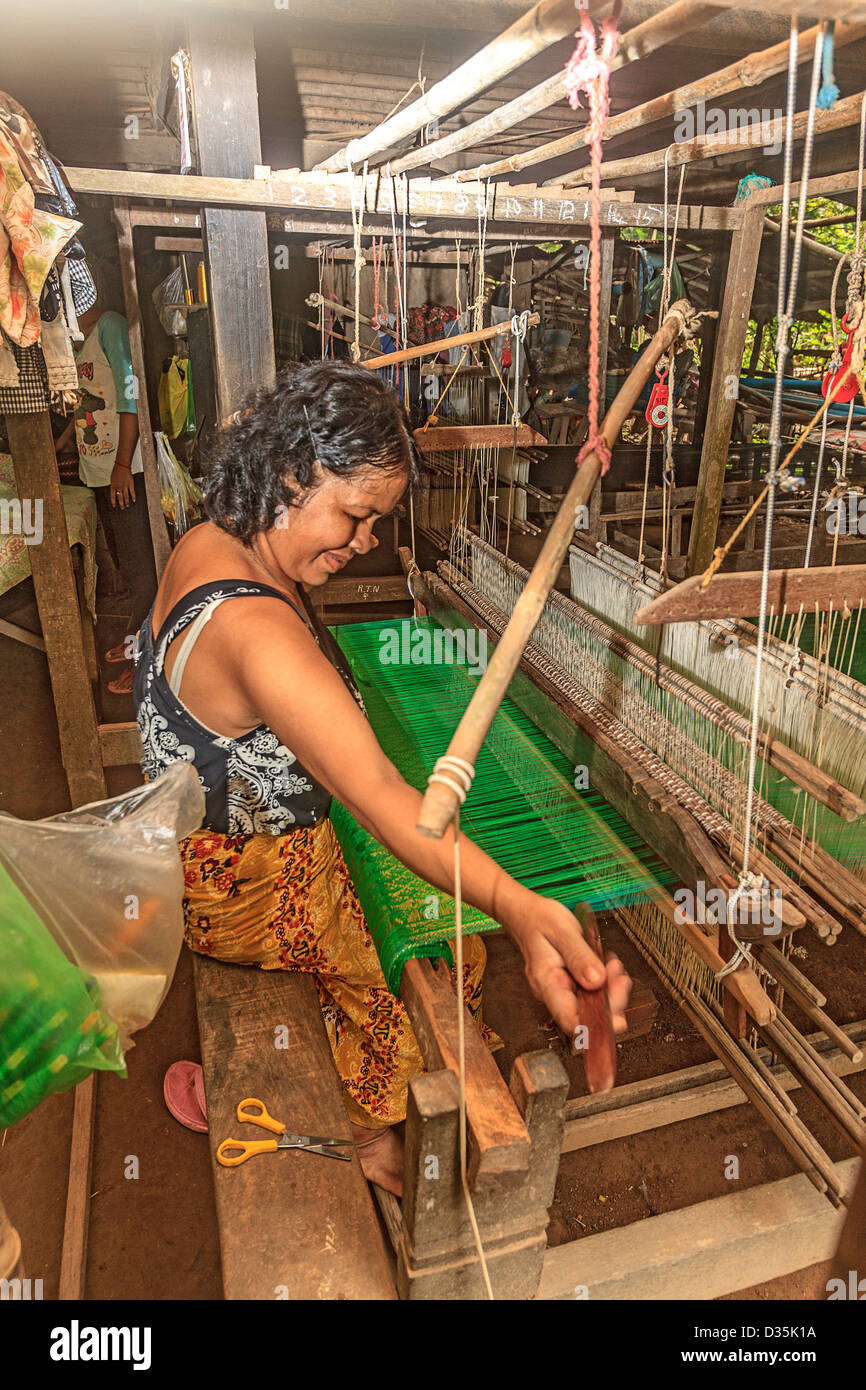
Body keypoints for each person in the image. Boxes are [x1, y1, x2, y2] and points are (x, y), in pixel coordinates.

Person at [133, 360, 630, 1195]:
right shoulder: (257, 631)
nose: (366, 542)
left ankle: (305, 1067)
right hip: (247, 891)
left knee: (431, 929)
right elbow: (387, 801)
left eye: (377, 522)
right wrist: (519, 905)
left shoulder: (212, 539)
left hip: (198, 857)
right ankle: (360, 1133)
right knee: (432, 964)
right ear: (292, 475)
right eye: (356, 516)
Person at [72, 300, 158, 695]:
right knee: (125, 563)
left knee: (142, 570)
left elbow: (130, 396)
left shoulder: (110, 326)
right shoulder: (77, 340)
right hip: (99, 469)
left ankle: (148, 665)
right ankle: (137, 641)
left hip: (126, 468)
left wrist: (123, 464)